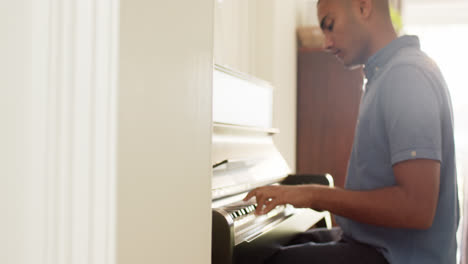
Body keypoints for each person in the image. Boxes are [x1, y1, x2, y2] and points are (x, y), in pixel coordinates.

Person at [244, 0, 459, 263]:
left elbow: (417, 208)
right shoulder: (386, 74)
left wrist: (313, 194)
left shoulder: (406, 76)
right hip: (377, 244)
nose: (326, 43)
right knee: (274, 245)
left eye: (330, 25)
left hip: (396, 256)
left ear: (363, 6)